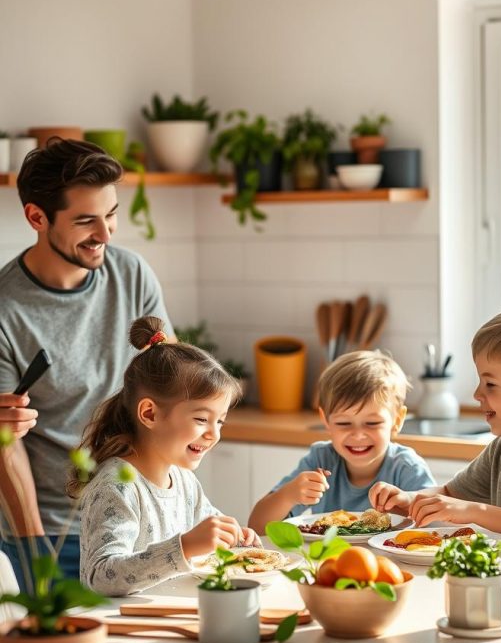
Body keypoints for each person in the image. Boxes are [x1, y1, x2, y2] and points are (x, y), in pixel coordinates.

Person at [0, 138, 174, 588]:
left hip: (140, 520)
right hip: (57, 535)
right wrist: (34, 547)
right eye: (85, 221)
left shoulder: (132, 274)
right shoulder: (6, 310)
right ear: (37, 217)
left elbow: (170, 385)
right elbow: (6, 441)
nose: (106, 233)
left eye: (111, 214)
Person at [369, 304, 501, 561]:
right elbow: (450, 494)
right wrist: (409, 500)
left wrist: (473, 511)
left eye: (490, 384)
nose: (476, 394)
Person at [77, 316, 259, 596]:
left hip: (174, 617)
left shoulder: (183, 479)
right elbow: (101, 575)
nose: (214, 434)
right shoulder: (117, 486)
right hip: (124, 629)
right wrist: (183, 548)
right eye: (201, 419)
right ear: (149, 413)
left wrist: (236, 538)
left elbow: (209, 528)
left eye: (219, 421)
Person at [248, 350, 434, 535]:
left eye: (372, 423)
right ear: (326, 420)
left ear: (398, 420)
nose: (358, 435)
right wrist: (289, 495)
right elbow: (257, 527)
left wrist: (407, 509)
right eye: (344, 423)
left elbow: (438, 530)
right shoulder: (321, 459)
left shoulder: (406, 467)